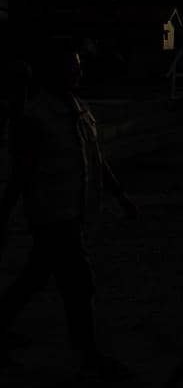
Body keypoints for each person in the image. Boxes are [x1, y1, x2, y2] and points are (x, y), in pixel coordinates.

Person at [0, 38, 139, 378]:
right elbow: (21, 172)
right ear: (52, 74)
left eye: (78, 67)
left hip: (73, 209)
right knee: (79, 283)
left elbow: (95, 157)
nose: (77, 72)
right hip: (51, 213)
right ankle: (88, 356)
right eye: (70, 67)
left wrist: (119, 195)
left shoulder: (79, 109)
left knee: (36, 275)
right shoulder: (35, 118)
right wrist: (5, 211)